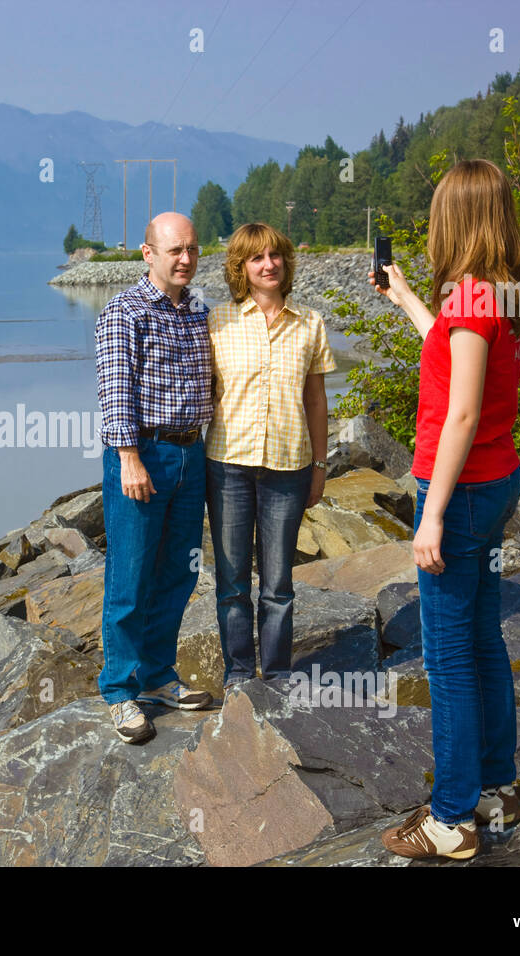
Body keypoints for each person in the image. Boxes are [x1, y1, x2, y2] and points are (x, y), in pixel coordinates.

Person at [374, 159, 520, 861]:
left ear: (457, 218)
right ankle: (496, 785)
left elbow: (461, 411)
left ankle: (451, 819)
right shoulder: (507, 294)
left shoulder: (473, 298)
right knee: (483, 637)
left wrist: (430, 514)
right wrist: (406, 297)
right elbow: (453, 356)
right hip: (495, 481)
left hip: (461, 490)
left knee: (450, 656)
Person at [95, 211, 214, 744]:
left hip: (192, 455)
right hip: (143, 454)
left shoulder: (198, 311)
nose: (185, 258)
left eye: (191, 248)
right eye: (174, 250)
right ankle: (120, 691)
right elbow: (116, 389)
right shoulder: (124, 312)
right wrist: (129, 457)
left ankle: (158, 676)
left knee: (177, 573)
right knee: (130, 576)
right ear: (149, 254)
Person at [204, 222, 335, 690]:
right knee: (232, 581)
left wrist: (320, 468)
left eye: (275, 255)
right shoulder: (216, 321)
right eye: (257, 258)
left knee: (278, 584)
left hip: (289, 468)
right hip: (227, 467)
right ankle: (239, 675)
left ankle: (278, 675)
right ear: (240, 268)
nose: (269, 264)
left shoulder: (310, 323)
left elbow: (317, 400)